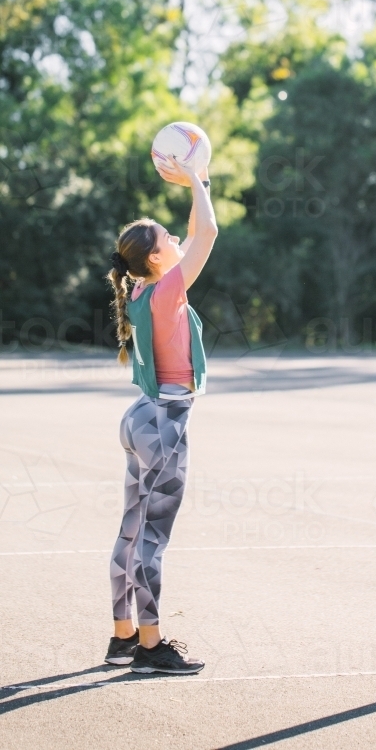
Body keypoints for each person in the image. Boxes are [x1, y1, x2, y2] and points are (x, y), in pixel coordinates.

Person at [104, 155, 217, 675]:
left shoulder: (147, 289)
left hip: (139, 418)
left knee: (131, 530)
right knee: (152, 538)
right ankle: (151, 647)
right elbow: (209, 231)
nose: (176, 239)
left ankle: (123, 635)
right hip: (165, 421)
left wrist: (201, 180)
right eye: (167, 238)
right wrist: (191, 178)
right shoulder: (167, 290)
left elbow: (197, 228)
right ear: (154, 257)